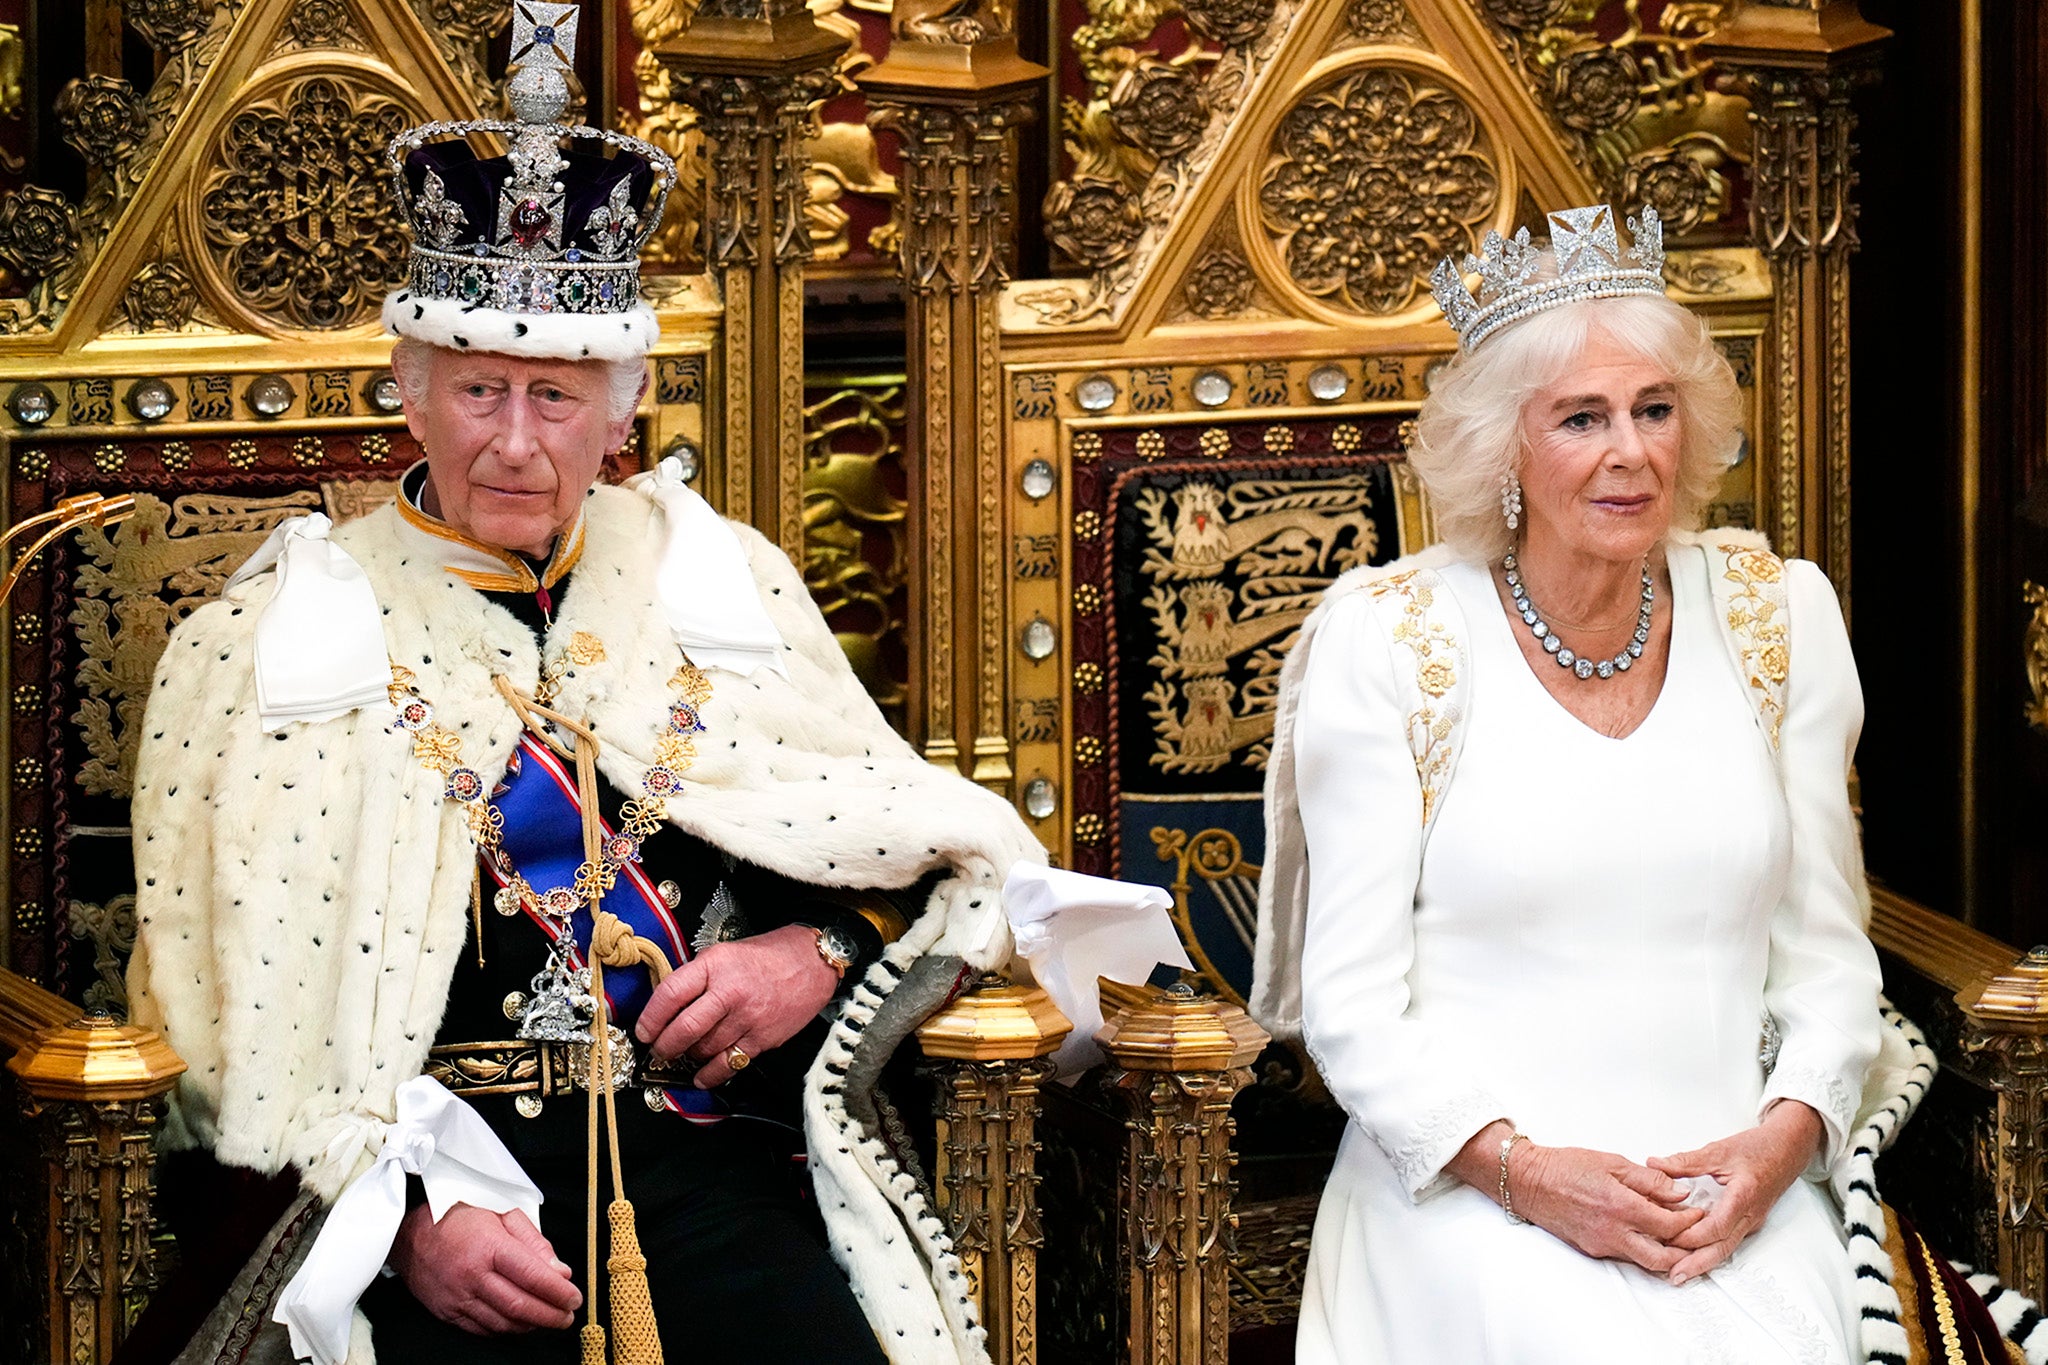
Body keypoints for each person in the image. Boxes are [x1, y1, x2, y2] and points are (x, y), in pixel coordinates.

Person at [124, 12, 1048, 1364]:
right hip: (421, 1192)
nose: (512, 442)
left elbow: (906, 839)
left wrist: (819, 954)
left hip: (704, 1158)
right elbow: (210, 1012)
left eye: (556, 401)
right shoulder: (267, 633)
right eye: (479, 389)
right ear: (409, 391)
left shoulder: (715, 578)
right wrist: (401, 1209)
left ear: (625, 410)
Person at [1250, 205, 1887, 1363]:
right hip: (1469, 1196)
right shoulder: (1390, 641)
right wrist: (1531, 1177)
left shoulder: (1774, 617)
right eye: (1579, 418)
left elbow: (1831, 962)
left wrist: (1779, 1149)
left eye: (1652, 411)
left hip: (1727, 1197)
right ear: (1504, 449)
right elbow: (1347, 1008)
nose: (1628, 451)